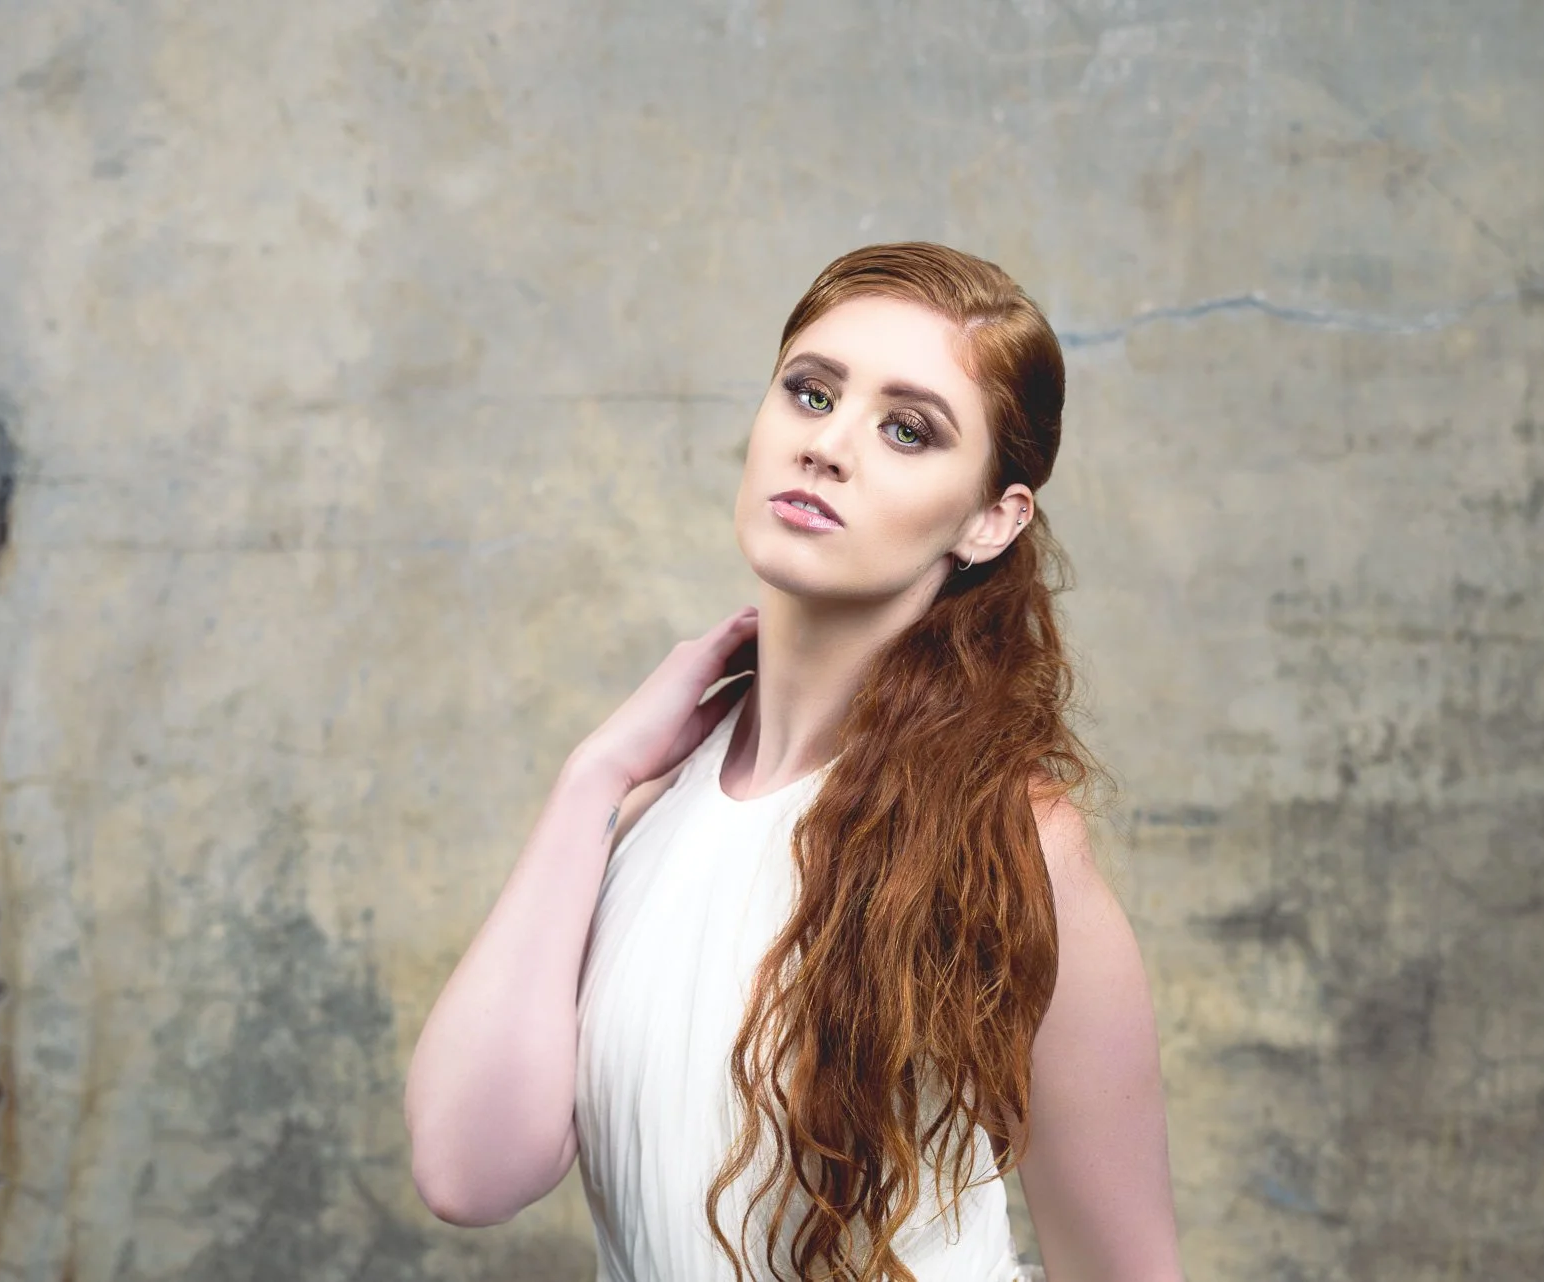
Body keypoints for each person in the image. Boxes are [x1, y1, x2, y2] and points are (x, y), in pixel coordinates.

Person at [405, 242, 1183, 1282]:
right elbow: (469, 1173)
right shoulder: (638, 808)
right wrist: (591, 777)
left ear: (992, 520)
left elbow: (1127, 1273)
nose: (828, 446)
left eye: (909, 430)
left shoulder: (1014, 844)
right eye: (810, 394)